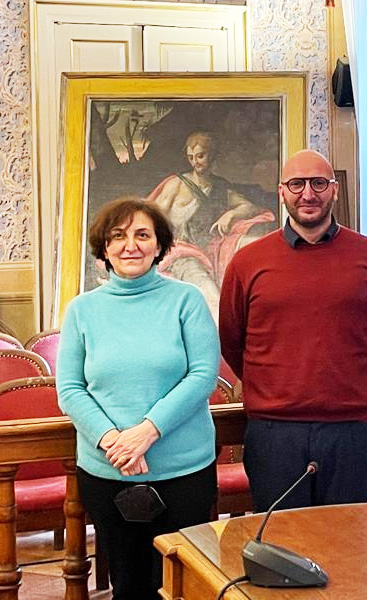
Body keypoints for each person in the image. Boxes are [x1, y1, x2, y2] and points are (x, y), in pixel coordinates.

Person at [219, 149, 367, 511]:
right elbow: (232, 339)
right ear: (281, 191)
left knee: (347, 536)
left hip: (350, 429)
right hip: (274, 433)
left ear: (334, 189)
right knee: (279, 538)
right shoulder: (247, 261)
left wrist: (343, 376)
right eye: (296, 184)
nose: (308, 194)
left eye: (318, 183)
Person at [57, 198, 219, 599]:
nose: (131, 245)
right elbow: (70, 388)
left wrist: (147, 432)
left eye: (142, 235)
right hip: (108, 471)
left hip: (183, 472)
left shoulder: (186, 300)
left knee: (183, 585)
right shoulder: (82, 310)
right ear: (104, 247)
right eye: (119, 236)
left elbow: (202, 375)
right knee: (128, 585)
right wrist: (114, 441)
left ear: (159, 245)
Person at [150, 131, 274, 316]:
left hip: (210, 246)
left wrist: (231, 214)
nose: (195, 162)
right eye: (191, 157)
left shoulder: (219, 186)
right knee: (211, 296)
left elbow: (249, 207)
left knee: (258, 245)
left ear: (212, 155)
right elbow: (151, 218)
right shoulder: (177, 184)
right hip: (181, 251)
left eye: (200, 156)